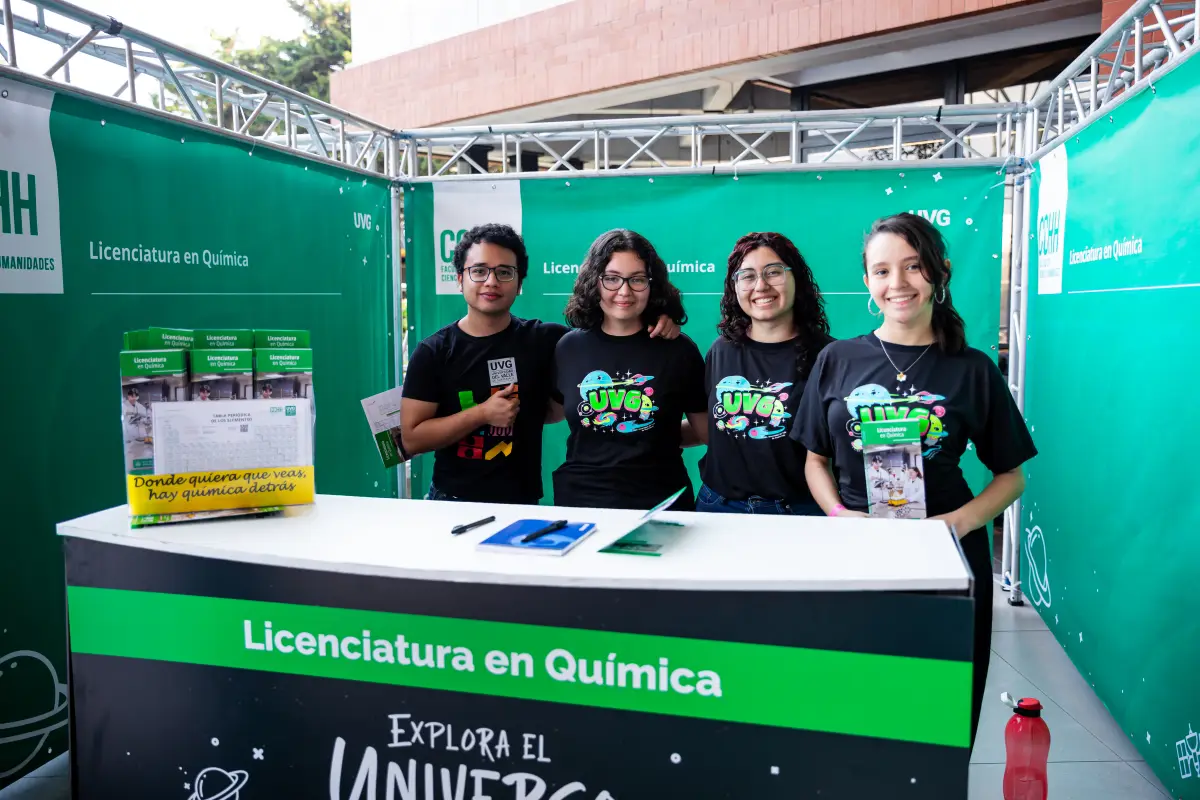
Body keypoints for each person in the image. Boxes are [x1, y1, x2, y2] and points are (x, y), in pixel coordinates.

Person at [791, 212, 1037, 748]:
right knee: (855, 701)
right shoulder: (838, 358)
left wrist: (956, 524)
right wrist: (839, 515)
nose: (897, 283)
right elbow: (815, 460)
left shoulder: (971, 368)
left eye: (912, 266)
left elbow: (1011, 476)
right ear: (867, 283)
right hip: (857, 552)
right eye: (882, 271)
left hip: (946, 556)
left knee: (941, 711)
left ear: (939, 273)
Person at [401, 223, 679, 504]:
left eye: (504, 272)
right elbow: (411, 439)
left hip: (523, 501)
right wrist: (481, 414)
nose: (491, 281)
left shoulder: (548, 340)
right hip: (452, 499)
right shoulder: (433, 351)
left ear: (519, 282)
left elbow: (611, 334)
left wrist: (658, 318)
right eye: (479, 271)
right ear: (460, 278)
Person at [549, 229, 707, 511]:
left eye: (636, 279)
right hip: (581, 504)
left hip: (661, 504)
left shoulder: (678, 350)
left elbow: (706, 431)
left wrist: (657, 432)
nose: (624, 291)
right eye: (611, 278)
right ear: (594, 282)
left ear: (652, 284)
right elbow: (554, 413)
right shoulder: (567, 348)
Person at [695, 231, 834, 515]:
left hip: (799, 511)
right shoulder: (721, 351)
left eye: (773, 272)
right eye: (747, 276)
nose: (761, 285)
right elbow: (710, 426)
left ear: (797, 279)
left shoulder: (829, 357)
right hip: (719, 507)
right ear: (734, 287)